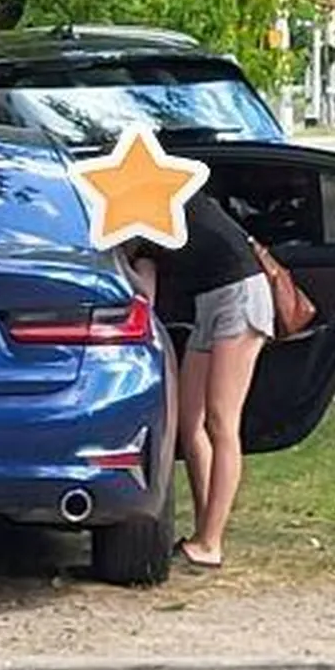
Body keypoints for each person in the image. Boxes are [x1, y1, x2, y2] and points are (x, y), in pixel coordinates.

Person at [129, 187, 271, 570]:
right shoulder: (152, 223)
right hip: (208, 304)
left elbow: (145, 294)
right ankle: (205, 527)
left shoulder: (162, 200)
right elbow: (147, 296)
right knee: (190, 421)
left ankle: (211, 542)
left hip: (240, 294)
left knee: (222, 421)